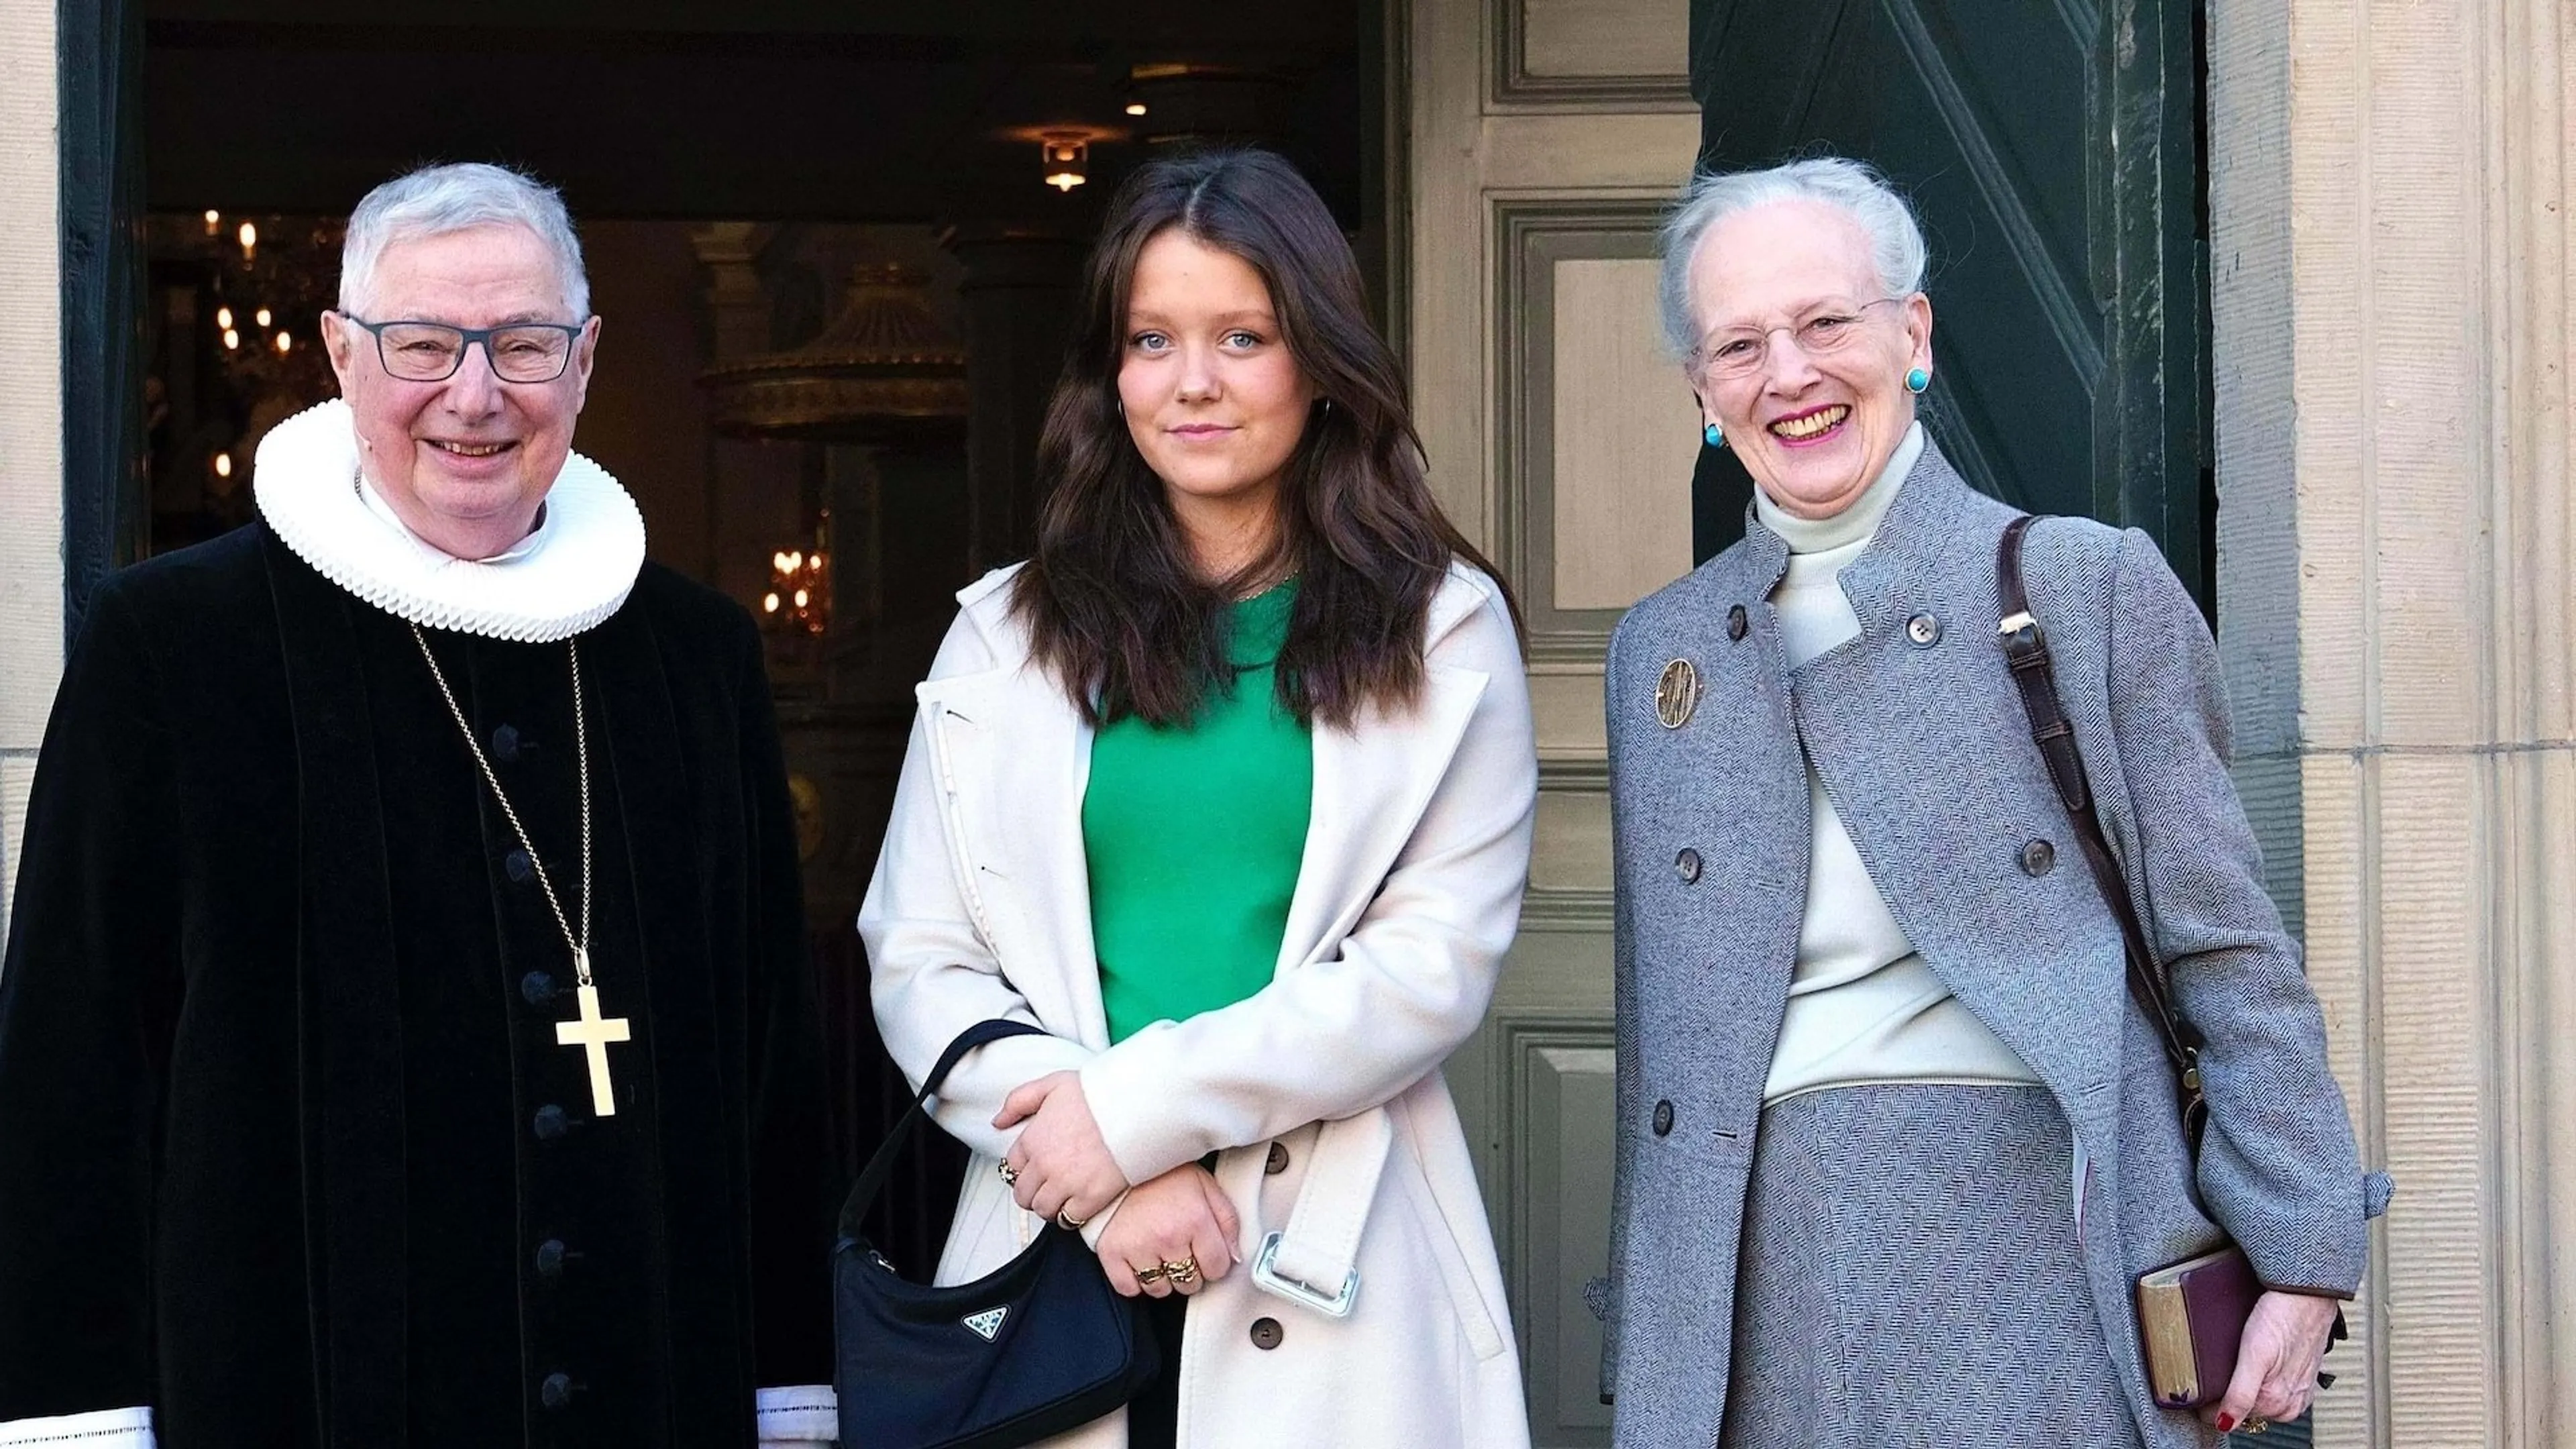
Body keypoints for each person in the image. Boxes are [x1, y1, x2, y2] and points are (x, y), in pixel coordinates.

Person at [0, 163, 837, 1448]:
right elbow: (73, 1066)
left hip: (651, 1392)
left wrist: (791, 1390)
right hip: (295, 1389)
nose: (475, 392)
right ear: (341, 355)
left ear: (589, 359)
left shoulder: (693, 657)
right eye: (425, 344)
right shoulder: (174, 646)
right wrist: (79, 1414)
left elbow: (771, 1058)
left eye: (524, 343)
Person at [1596, 156, 2392, 1449]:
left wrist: (2304, 1256)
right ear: (1700, 389)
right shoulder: (1662, 654)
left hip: (2033, 1241)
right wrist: (1655, 1334)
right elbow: (1661, 1046)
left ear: (1910, 335)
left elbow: (2226, 947)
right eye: (1738, 344)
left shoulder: (2082, 586)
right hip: (1748, 1275)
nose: (1787, 373)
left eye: (1825, 322)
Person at [859, 148, 1537, 1449]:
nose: (1194, 383)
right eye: (1152, 341)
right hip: (1047, 1244)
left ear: (1322, 365)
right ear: (1109, 377)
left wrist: (1135, 1116)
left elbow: (1426, 970)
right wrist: (1107, 1182)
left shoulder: (1441, 629)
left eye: (1243, 336)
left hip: (1334, 1266)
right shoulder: (1007, 632)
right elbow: (921, 953)